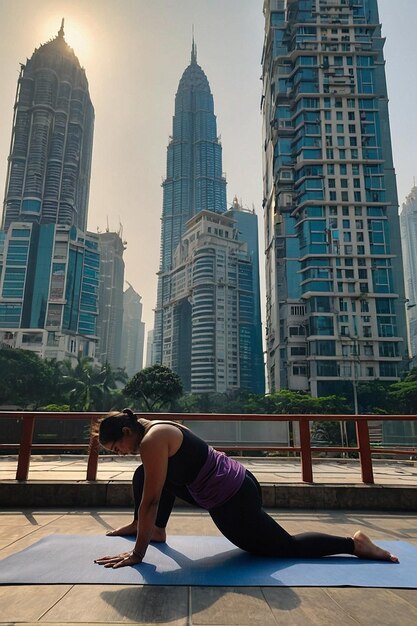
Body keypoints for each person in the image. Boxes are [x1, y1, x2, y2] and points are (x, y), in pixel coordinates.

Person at [94, 409, 399, 569]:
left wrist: (138, 553)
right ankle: (154, 530)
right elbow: (156, 487)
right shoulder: (148, 425)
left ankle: (354, 544)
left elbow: (151, 500)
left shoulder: (150, 441)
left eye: (116, 447)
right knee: (143, 473)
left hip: (232, 497)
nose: (118, 452)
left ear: (126, 431)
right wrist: (145, 527)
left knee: (281, 547)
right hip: (229, 482)